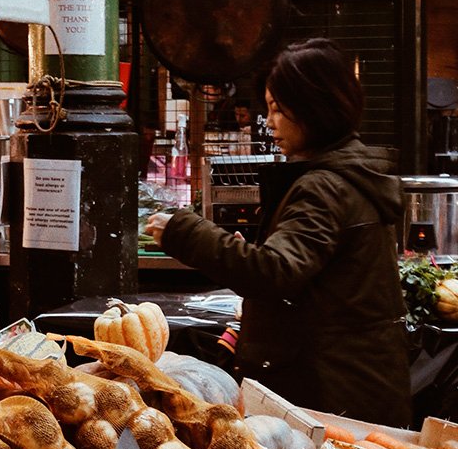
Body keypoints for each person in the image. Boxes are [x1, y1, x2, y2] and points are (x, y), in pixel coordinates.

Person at [144, 39, 411, 425]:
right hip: (354, 386)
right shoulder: (351, 176)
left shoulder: (325, 186)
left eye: (277, 109)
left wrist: (185, 231)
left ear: (313, 110)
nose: (269, 122)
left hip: (331, 395)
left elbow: (275, 272)